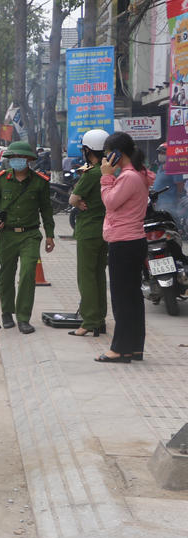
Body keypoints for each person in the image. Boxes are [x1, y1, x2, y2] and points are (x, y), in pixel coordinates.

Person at [0, 140, 56, 334]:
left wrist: (50, 235)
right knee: (6, 274)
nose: (17, 160)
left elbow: (46, 209)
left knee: (27, 274)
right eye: (13, 157)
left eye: (20, 157)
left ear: (28, 159)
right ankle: (7, 312)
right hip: (7, 235)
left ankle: (24, 317)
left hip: (30, 234)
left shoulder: (40, 181)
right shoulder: (0, 180)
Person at [96, 131, 155, 363]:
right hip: (132, 241)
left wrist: (106, 177)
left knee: (122, 299)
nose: (106, 158)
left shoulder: (128, 177)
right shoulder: (138, 173)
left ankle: (120, 349)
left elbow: (110, 202)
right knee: (132, 297)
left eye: (108, 153)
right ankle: (134, 348)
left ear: (117, 154)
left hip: (124, 242)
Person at [68, 129, 110, 337]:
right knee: (99, 275)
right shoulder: (110, 171)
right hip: (106, 229)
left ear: (87, 150)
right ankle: (100, 319)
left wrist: (78, 202)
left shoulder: (92, 173)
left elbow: (73, 199)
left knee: (86, 276)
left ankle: (89, 321)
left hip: (89, 231)